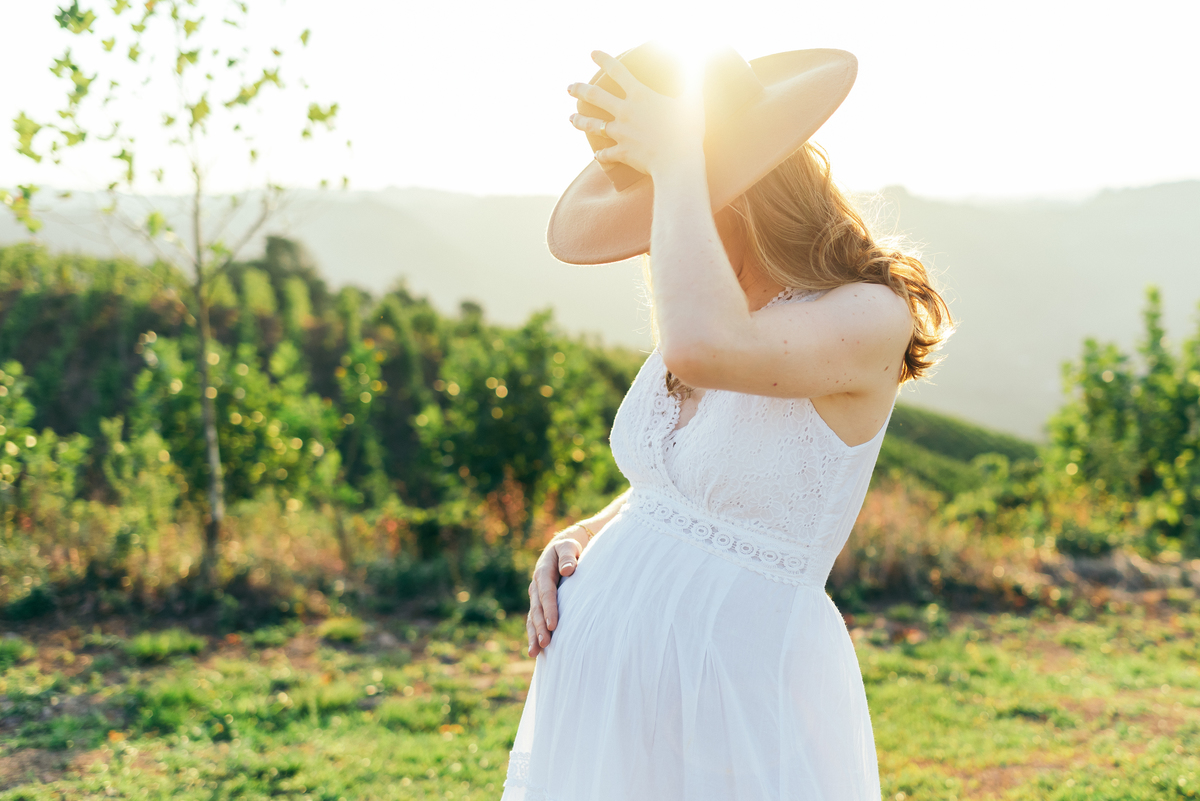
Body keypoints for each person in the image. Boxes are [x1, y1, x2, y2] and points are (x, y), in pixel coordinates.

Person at [503, 43, 953, 800]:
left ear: (744, 194)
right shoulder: (720, 302)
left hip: (731, 699)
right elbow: (684, 489)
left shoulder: (867, 314)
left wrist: (679, 157)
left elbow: (705, 349)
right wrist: (585, 533)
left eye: (679, 201)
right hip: (607, 708)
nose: (659, 236)